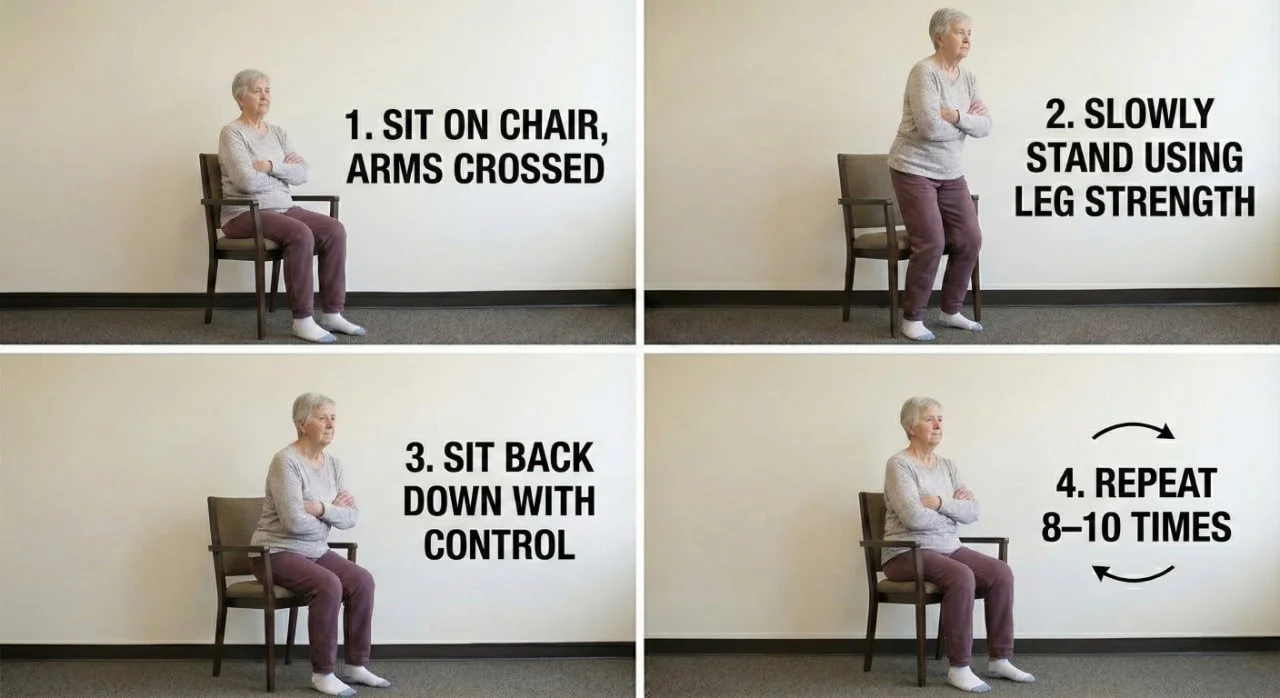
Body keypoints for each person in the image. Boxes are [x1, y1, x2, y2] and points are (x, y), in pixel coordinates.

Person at [880, 397, 1034, 693]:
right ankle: (959, 667)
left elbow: (973, 511)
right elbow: (912, 518)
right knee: (961, 575)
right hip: (905, 552)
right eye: (930, 419)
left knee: (1001, 573)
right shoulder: (899, 465)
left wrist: (938, 502)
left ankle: (1000, 659)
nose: (938, 425)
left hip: (948, 547)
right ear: (910, 426)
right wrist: (951, 512)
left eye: (940, 418)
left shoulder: (948, 466)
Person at [248, 393, 390, 696]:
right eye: (322, 417)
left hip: (315, 552)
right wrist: (331, 513)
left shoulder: (334, 465)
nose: (331, 424)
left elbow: (351, 516)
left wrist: (321, 508)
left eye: (333, 418)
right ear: (301, 424)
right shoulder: (285, 462)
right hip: (274, 552)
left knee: (362, 580)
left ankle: (355, 665)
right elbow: (293, 523)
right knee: (328, 584)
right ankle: (322, 673)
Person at [218, 69, 365, 344]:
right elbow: (246, 181)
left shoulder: (277, 133)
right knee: (300, 233)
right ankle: (302, 320)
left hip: (284, 208)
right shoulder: (232, 134)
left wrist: (271, 166)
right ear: (240, 98)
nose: (264, 96)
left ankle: (332, 313)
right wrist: (283, 171)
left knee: (334, 229)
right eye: (256, 90)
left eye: (267, 90)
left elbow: (302, 174)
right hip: (243, 213)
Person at [886, 9, 990, 342]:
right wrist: (965, 123)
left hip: (950, 172)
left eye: (970, 33)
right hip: (913, 168)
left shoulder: (969, 77)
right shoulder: (924, 73)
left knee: (970, 238)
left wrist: (956, 115)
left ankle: (949, 310)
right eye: (961, 32)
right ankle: (912, 316)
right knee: (932, 241)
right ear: (939, 36)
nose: (967, 39)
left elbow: (987, 126)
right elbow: (930, 128)